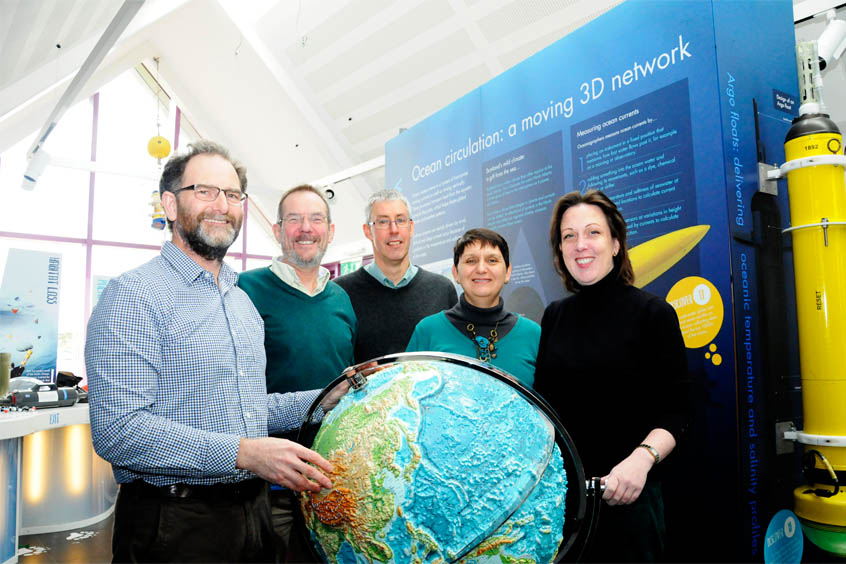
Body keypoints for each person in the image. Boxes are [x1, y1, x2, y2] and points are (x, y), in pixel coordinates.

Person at [85, 140, 344, 563]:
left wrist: (326, 398)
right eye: (205, 191)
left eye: (233, 194)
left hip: (255, 516)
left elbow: (247, 409)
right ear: (170, 204)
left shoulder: (240, 301)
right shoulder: (133, 296)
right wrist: (245, 453)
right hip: (174, 525)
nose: (221, 205)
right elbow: (119, 431)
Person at [534, 190, 692, 562]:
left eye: (593, 233)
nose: (580, 245)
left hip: (630, 503)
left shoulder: (653, 313)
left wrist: (641, 460)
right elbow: (546, 409)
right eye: (568, 236)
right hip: (564, 502)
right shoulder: (554, 315)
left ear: (616, 244)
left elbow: (679, 410)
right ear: (560, 250)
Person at [238, 184, 356, 560]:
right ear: (277, 230)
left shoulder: (340, 298)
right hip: (269, 485)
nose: (306, 228)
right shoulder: (245, 290)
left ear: (331, 231)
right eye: (295, 219)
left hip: (332, 479)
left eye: (316, 219)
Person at [334, 189, 457, 363]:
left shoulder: (442, 289)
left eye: (400, 220)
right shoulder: (341, 293)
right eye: (383, 222)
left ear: (411, 227)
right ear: (368, 231)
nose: (394, 230)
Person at [406, 228, 540, 386]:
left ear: (508, 272)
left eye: (492, 260)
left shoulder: (533, 335)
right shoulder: (427, 332)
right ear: (455, 272)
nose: (481, 269)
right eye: (471, 261)